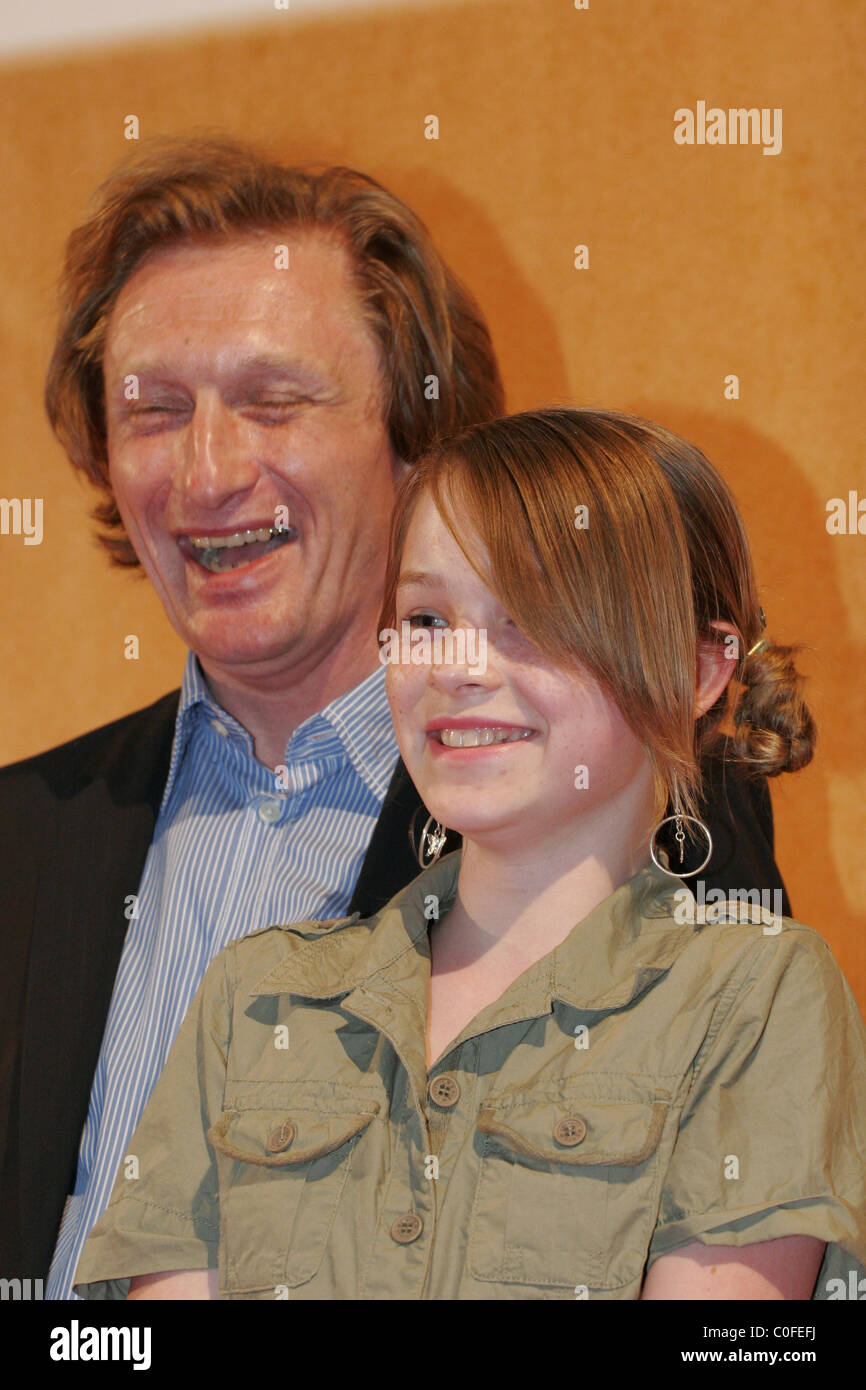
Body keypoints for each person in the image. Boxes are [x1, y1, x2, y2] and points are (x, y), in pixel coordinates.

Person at [0, 139, 788, 1296]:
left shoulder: (635, 806)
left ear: (416, 446)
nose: (205, 472)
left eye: (274, 401)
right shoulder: (21, 835)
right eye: (153, 410)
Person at [72, 408, 865, 1301]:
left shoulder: (756, 998)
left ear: (697, 670)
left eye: (529, 615)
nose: (456, 665)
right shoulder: (254, 1000)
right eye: (424, 617)